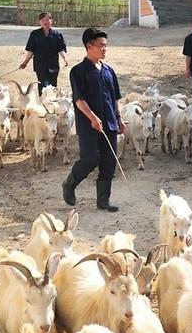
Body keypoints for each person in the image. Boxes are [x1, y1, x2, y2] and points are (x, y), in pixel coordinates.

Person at [63, 27, 123, 212]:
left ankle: (103, 201)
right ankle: (70, 184)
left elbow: (115, 98)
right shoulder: (78, 71)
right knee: (90, 159)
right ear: (89, 46)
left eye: (106, 45)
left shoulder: (109, 71)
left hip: (110, 123)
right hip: (89, 126)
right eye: (101, 45)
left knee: (109, 162)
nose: (105, 49)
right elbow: (79, 100)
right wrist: (93, 117)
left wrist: (119, 118)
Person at [19, 12, 68, 89]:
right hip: (40, 65)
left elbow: (60, 49)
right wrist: (25, 62)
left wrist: (65, 59)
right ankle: (42, 100)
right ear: (40, 22)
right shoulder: (34, 34)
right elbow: (30, 50)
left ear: (51, 21)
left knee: (53, 87)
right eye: (43, 20)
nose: (45, 22)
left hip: (53, 65)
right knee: (43, 86)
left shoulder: (57, 34)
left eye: (47, 20)